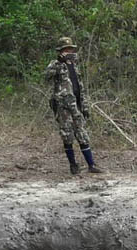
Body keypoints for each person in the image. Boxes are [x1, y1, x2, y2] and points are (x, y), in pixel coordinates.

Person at [45, 37, 103, 175]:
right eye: (66, 49)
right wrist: (59, 62)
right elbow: (46, 76)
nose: (69, 51)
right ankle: (73, 165)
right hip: (63, 106)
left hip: (76, 105)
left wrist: (85, 106)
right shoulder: (56, 64)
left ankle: (91, 165)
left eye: (70, 49)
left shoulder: (75, 66)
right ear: (60, 51)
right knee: (67, 136)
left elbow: (80, 87)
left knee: (82, 134)